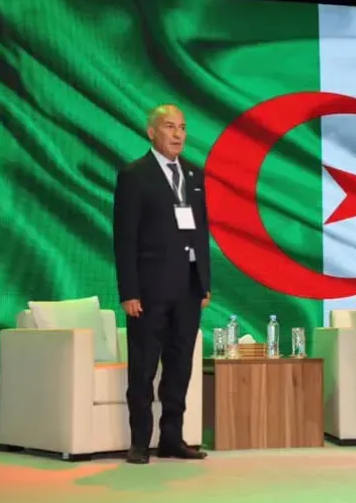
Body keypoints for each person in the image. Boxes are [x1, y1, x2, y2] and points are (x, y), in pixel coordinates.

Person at [113, 104, 211, 464]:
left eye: (182, 128)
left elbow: (201, 232)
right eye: (170, 127)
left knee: (180, 365)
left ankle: (172, 438)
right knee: (143, 367)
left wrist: (204, 281)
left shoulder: (194, 174)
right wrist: (129, 291)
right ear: (152, 132)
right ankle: (140, 441)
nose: (178, 134)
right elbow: (125, 237)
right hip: (149, 290)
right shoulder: (135, 175)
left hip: (188, 288)